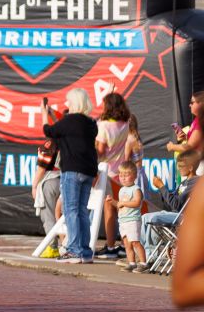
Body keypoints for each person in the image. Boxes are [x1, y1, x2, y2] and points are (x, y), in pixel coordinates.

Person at [42, 89, 99, 264]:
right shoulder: (90, 124)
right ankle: (85, 251)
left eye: (68, 101)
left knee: (71, 210)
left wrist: (44, 114)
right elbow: (65, 132)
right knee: (82, 211)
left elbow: (49, 131)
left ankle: (74, 250)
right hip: (88, 170)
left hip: (72, 170)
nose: (67, 104)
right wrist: (52, 114)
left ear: (74, 103)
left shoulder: (69, 121)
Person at [95, 92, 133, 259]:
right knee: (121, 210)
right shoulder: (125, 123)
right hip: (121, 172)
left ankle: (111, 246)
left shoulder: (104, 126)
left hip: (107, 173)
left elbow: (101, 151)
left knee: (109, 208)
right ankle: (125, 245)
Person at [109, 162, 147, 272]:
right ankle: (131, 263)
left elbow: (137, 203)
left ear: (134, 176)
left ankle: (143, 263)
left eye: (126, 175)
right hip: (123, 221)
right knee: (127, 244)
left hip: (133, 220)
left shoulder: (136, 189)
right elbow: (120, 205)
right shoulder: (122, 190)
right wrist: (113, 202)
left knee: (135, 242)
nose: (123, 178)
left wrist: (123, 204)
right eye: (121, 175)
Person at [32, 139, 63, 258]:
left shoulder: (50, 144)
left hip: (50, 181)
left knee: (48, 215)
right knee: (64, 217)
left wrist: (34, 186)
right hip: (66, 181)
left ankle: (52, 246)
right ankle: (68, 246)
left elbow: (41, 168)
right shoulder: (69, 141)